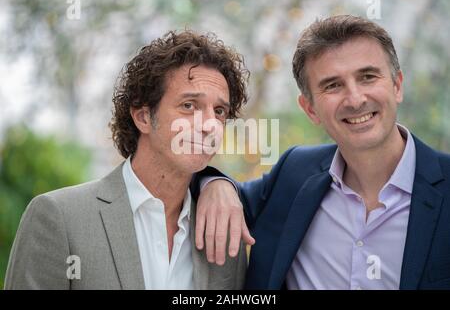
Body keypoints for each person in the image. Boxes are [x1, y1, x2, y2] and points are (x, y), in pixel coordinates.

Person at [194, 15, 450, 289]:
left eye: (367, 77)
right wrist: (216, 183)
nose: (355, 99)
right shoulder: (295, 173)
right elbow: (229, 198)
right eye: (333, 85)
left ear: (397, 85)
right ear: (310, 109)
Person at [5, 30, 249, 289]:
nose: (209, 124)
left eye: (219, 111)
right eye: (189, 105)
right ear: (143, 116)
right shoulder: (59, 218)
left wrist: (220, 182)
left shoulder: (225, 231)